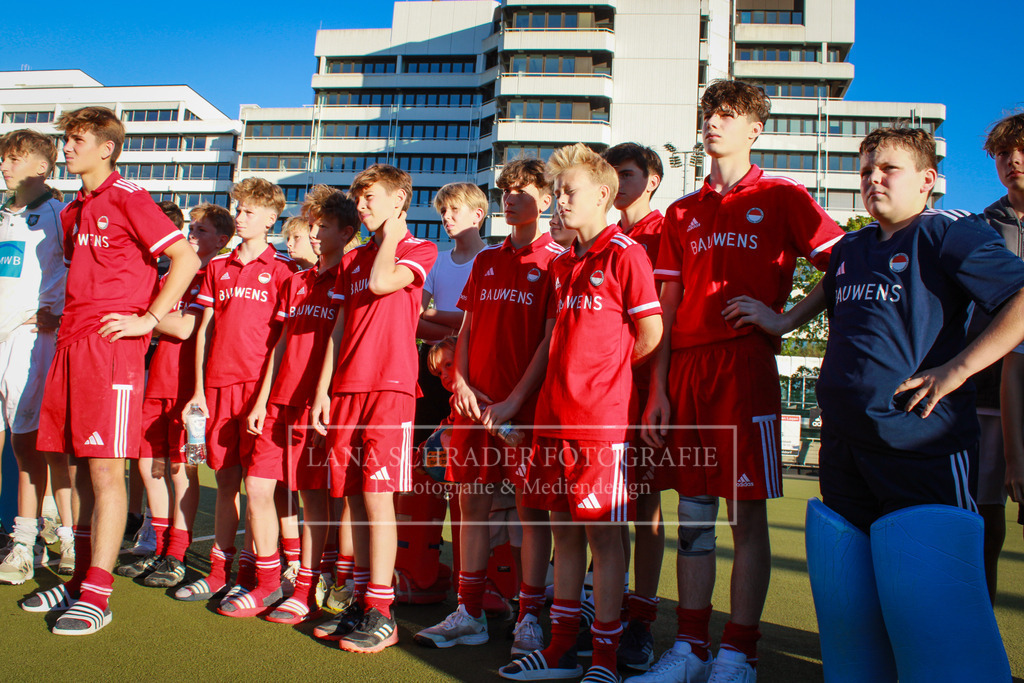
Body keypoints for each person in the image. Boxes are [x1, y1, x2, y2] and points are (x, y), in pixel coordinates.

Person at [743, 125, 1023, 681]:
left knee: (935, 612)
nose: (873, 178)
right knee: (855, 619)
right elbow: (830, 284)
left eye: (887, 168)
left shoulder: (948, 233)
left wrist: (957, 369)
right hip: (846, 448)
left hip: (922, 445)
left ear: (927, 181)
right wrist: (783, 320)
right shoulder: (853, 245)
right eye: (866, 168)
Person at [640, 80, 844, 682]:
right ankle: (691, 650)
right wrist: (658, 388)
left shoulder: (783, 195)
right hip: (686, 371)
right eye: (708, 113)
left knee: (745, 517)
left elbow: (844, 265)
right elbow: (667, 305)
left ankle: (740, 653)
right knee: (694, 517)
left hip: (744, 366)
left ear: (755, 128)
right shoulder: (682, 210)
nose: (713, 123)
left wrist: (785, 318)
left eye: (727, 115)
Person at [24, 106, 200, 635]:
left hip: (112, 351)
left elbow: (185, 259)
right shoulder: (75, 209)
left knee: (105, 469)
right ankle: (80, 579)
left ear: (107, 148)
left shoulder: (130, 198)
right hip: (70, 346)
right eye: (67, 140)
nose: (68, 149)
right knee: (75, 466)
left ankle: (98, 591)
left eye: (77, 140)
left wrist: (146, 318)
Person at [500, 143, 663, 683]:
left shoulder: (626, 253)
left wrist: (607, 376)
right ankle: (562, 647)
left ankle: (606, 659)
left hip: (601, 423)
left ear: (604, 195)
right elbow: (554, 342)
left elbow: (651, 333)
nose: (560, 201)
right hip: (552, 420)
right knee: (564, 535)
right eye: (559, 193)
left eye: (570, 192)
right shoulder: (565, 264)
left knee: (603, 538)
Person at [414, 160, 560, 654]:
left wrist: (516, 400)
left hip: (525, 411)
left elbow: (550, 338)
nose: (511, 197)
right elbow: (470, 328)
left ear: (545, 200)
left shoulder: (557, 260)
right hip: (474, 408)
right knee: (471, 508)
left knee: (529, 513)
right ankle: (469, 612)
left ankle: (528, 615)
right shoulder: (488, 260)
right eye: (505, 190)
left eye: (522, 190)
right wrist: (463, 384)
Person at [310, 163, 437, 653]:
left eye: (370, 199)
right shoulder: (353, 258)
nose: (361, 207)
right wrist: (324, 389)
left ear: (399, 200)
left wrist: (393, 233)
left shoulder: (417, 248)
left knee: (379, 497)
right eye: (358, 199)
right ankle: (364, 599)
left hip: (391, 387)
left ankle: (383, 611)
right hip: (348, 389)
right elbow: (338, 328)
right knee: (355, 498)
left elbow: (385, 283)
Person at [175, 178, 297, 618]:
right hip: (216, 391)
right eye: (238, 209)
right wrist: (198, 392)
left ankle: (266, 580)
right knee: (224, 482)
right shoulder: (217, 268)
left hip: (259, 393)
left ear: (271, 218)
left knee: (260, 488)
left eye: (248, 211)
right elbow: (203, 331)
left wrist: (264, 398)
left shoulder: (284, 270)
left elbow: (282, 340)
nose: (240, 216)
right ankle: (218, 571)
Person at [246, 186, 359, 624]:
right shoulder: (295, 281)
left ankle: (308, 585)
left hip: (316, 405)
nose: (313, 234)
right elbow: (280, 344)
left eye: (322, 227)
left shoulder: (351, 278)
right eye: (310, 226)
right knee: (258, 488)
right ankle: (268, 581)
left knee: (314, 499)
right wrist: (261, 399)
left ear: (346, 232)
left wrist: (325, 395)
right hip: (278, 402)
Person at [119, 203, 233, 588]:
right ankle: (158, 543)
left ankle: (177, 554)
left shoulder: (215, 276)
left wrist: (142, 315)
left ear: (221, 240)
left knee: (183, 470)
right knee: (147, 465)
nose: (192, 235)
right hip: (156, 386)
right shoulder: (172, 276)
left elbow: (186, 328)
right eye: (192, 228)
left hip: (191, 395)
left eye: (201, 230)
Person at [601, 142, 666, 672]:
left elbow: (660, 323)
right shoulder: (600, 240)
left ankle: (640, 620)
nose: (618, 183)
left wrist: (657, 389)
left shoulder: (663, 234)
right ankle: (599, 611)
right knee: (597, 509)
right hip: (596, 399)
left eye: (627, 173)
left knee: (645, 506)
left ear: (652, 181)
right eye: (611, 174)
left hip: (643, 390)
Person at [0, 130, 72, 584]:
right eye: (3, 158)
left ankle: (46, 538)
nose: (5, 166)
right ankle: (32, 534)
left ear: (41, 168)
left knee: (37, 446)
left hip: (32, 343)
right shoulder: (2, 215)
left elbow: (80, 272)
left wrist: (59, 312)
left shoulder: (61, 215)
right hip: (2, 340)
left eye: (14, 159)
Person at [980, 113, 1024, 601]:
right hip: (987, 395)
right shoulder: (978, 227)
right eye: (1003, 153)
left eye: (1023, 151)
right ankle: (978, 636)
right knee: (982, 516)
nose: (1014, 161)